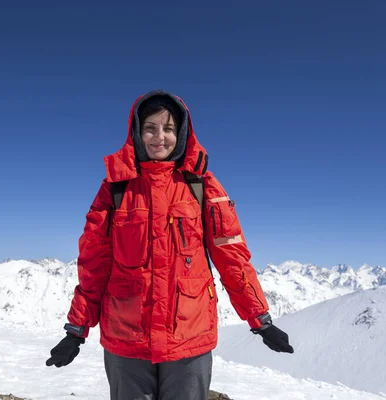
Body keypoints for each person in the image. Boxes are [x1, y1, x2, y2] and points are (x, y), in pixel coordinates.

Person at [46, 89, 294, 399]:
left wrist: (260, 320)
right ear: (137, 132)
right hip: (127, 340)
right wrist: (76, 330)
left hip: (189, 338)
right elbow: (94, 262)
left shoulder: (201, 184)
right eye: (150, 127)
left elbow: (232, 257)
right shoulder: (116, 188)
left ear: (182, 134)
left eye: (168, 129)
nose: (158, 137)